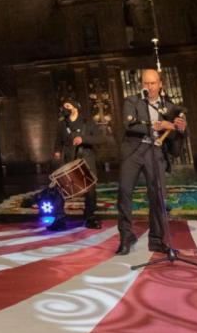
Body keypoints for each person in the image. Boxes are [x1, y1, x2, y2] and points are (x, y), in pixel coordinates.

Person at [115, 69, 187, 256]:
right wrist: (157, 125)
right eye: (146, 83)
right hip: (133, 151)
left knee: (157, 195)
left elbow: (175, 135)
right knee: (124, 191)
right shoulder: (132, 101)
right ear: (141, 85)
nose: (149, 87)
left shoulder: (169, 107)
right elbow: (129, 124)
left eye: (153, 83)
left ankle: (156, 240)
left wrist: (180, 129)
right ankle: (125, 236)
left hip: (154, 152)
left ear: (160, 84)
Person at [49, 100, 105, 231]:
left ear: (75, 107)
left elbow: (101, 138)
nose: (65, 108)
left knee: (90, 190)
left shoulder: (87, 121)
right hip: (68, 159)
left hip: (86, 159)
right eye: (63, 106)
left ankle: (89, 217)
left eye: (68, 106)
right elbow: (58, 140)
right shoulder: (63, 123)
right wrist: (57, 151)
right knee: (59, 187)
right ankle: (59, 219)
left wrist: (83, 139)